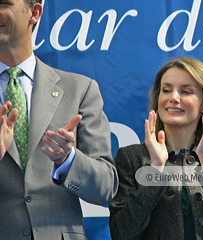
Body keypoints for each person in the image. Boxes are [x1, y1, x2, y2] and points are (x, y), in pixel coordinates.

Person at [0, 0, 118, 239]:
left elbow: (106, 188)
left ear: (34, 13)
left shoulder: (80, 89)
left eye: (3, 3)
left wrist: (68, 160)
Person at [109, 57, 203, 240]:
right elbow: (122, 233)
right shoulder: (131, 158)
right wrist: (156, 169)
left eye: (186, 91)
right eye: (166, 90)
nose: (173, 98)